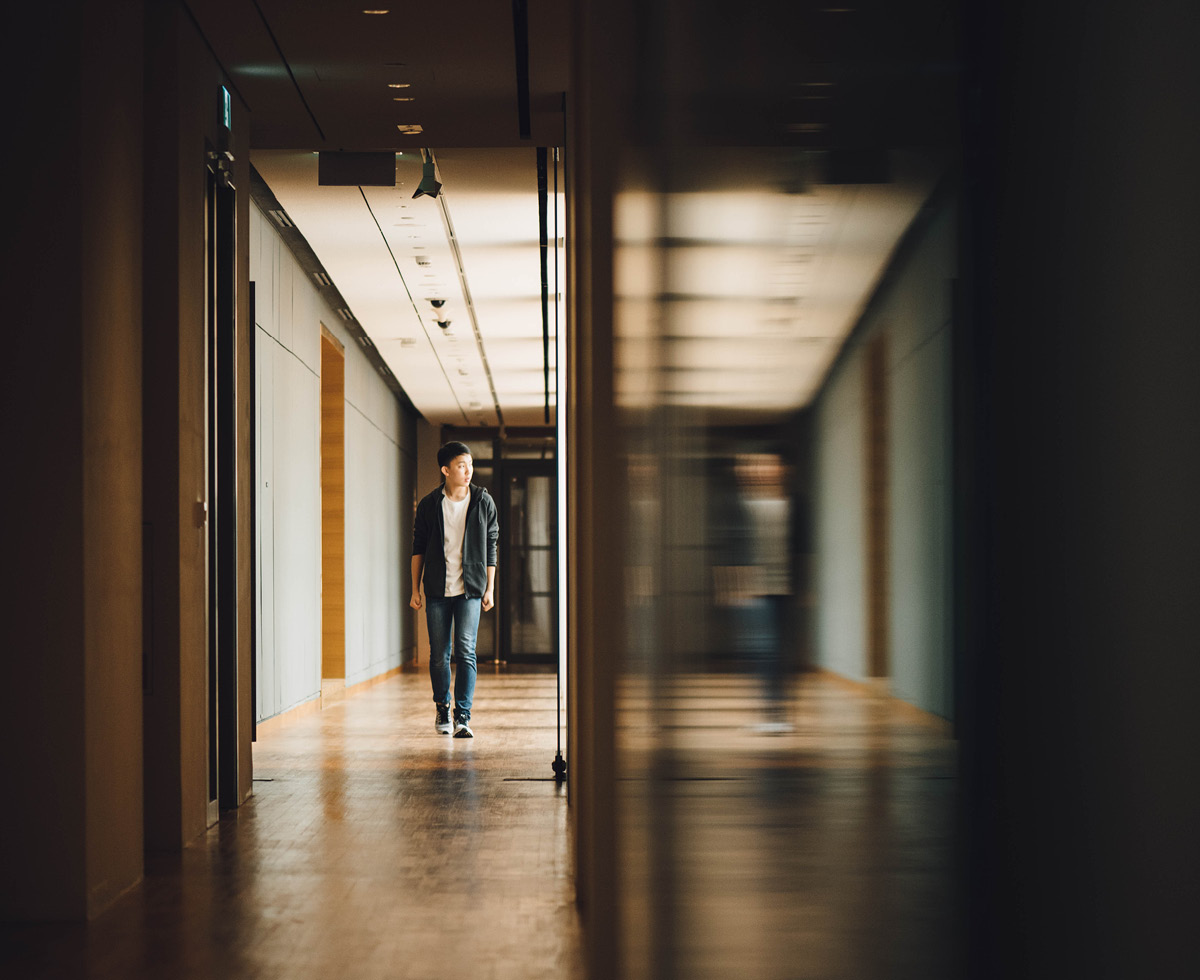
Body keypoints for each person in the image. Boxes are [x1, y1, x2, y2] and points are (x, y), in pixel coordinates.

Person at [410, 441, 498, 738]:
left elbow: (491, 546)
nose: (468, 470)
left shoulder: (483, 501)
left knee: (466, 651)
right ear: (446, 470)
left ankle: (463, 715)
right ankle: (442, 706)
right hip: (437, 589)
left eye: (470, 465)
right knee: (439, 654)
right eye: (462, 465)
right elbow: (418, 548)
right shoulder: (429, 504)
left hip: (470, 589)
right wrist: (414, 589)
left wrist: (490, 588)